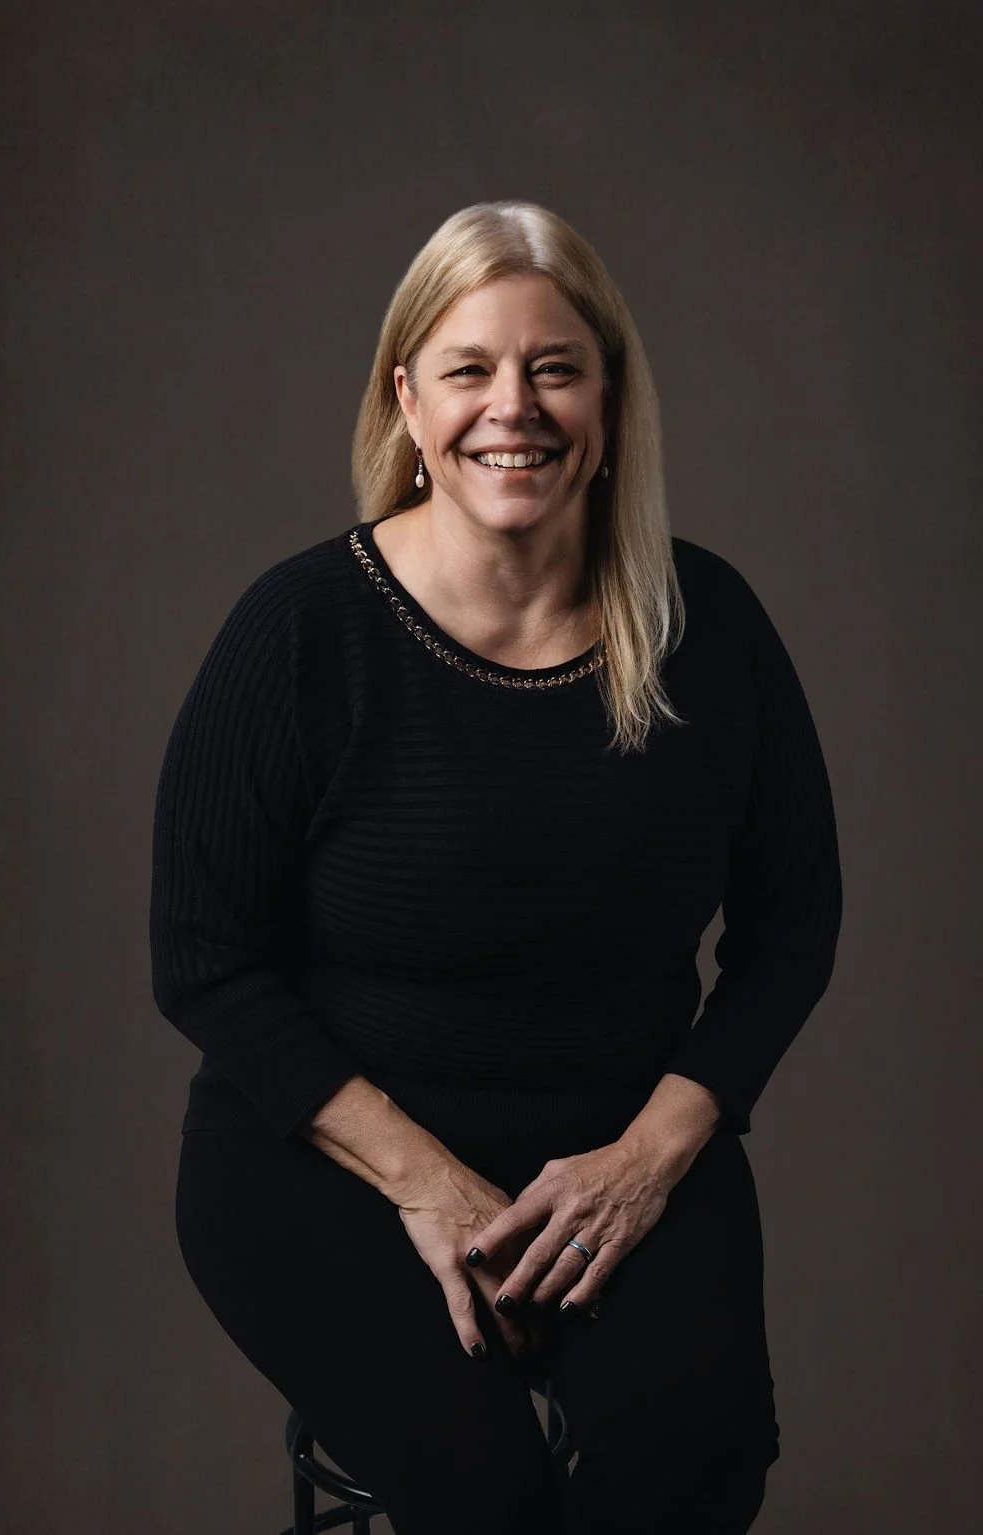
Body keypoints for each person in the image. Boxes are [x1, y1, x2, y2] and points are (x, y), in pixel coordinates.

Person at [150, 199, 843, 1535]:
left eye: (555, 366)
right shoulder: (299, 633)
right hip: (325, 1158)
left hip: (613, 1149)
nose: (511, 407)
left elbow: (794, 924)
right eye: (469, 368)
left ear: (609, 396)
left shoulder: (711, 628)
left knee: (693, 1462)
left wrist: (649, 1158)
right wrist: (426, 1179)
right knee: (485, 1497)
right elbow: (201, 957)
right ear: (408, 400)